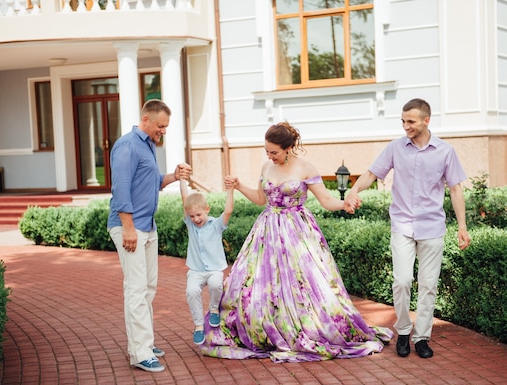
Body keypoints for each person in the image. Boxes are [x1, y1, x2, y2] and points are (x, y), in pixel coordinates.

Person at [199, 121, 393, 363]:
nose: (270, 156)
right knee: (259, 284)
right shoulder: (266, 167)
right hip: (267, 231)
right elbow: (261, 199)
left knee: (304, 285)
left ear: (289, 147)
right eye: (266, 151)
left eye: (274, 152)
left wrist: (343, 204)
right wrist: (239, 187)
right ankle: (265, 327)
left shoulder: (305, 168)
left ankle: (306, 326)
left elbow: (325, 200)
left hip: (298, 233)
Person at [345, 98, 471, 359]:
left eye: (411, 121)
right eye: (403, 121)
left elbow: (456, 189)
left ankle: (422, 337)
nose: (406, 126)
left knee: (428, 285)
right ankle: (403, 330)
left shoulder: (445, 151)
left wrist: (462, 226)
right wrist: (353, 190)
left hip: (432, 226)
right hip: (402, 224)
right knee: (402, 281)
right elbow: (371, 174)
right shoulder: (395, 148)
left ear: (426, 120)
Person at [107, 99, 192, 373]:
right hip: (129, 227)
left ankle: (145, 342)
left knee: (149, 286)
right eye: (160, 126)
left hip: (147, 226)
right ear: (146, 119)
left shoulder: (147, 145)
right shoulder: (127, 145)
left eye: (166, 126)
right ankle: (140, 352)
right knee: (136, 288)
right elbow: (120, 190)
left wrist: (174, 176)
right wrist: (129, 229)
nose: (163, 131)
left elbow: (153, 181)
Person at [180, 178, 234, 346]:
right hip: (196, 270)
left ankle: (213, 309)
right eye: (192, 216)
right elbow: (184, 199)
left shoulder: (216, 225)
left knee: (216, 284)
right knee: (191, 291)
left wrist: (231, 189)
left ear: (207, 209)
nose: (196, 219)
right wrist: (182, 179)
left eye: (199, 215)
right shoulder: (190, 224)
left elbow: (228, 211)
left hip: (215, 268)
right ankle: (198, 325)